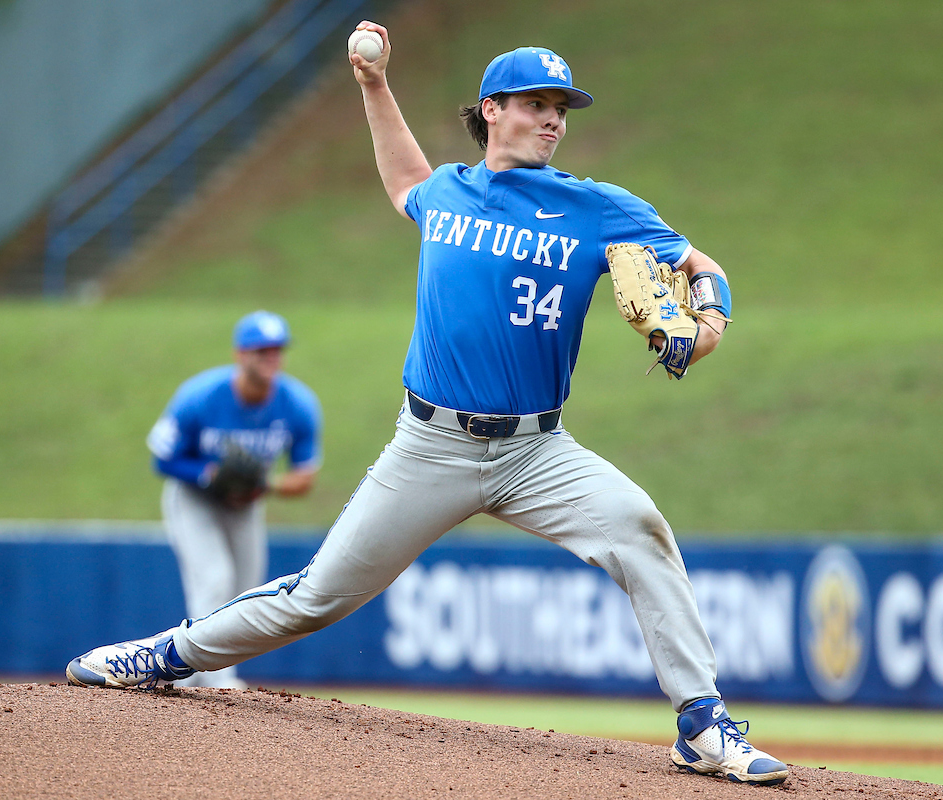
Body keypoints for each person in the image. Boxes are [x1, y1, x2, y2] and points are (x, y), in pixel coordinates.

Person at [67, 23, 786, 786]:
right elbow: (403, 177)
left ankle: (701, 723)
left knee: (642, 531)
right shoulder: (446, 193)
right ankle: (162, 654)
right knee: (315, 597)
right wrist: (374, 87)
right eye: (536, 103)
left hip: (538, 451)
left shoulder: (596, 208)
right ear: (491, 110)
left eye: (562, 108)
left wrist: (706, 326)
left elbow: (700, 265)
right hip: (430, 447)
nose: (552, 119)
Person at [144, 309, 323, 688]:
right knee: (214, 578)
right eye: (261, 351)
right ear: (240, 355)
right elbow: (162, 457)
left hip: (246, 502)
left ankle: (191, 677)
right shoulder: (201, 395)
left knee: (246, 589)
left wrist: (265, 485)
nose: (270, 358)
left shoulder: (297, 404)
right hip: (194, 497)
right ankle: (217, 677)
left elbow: (304, 477)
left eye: (276, 350)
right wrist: (207, 474)